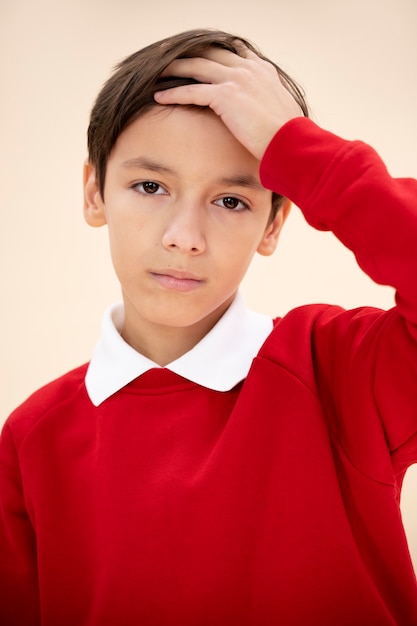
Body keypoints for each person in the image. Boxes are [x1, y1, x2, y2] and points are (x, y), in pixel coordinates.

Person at [1, 28, 417, 626]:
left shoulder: (341, 373)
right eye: (150, 187)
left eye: (231, 201)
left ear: (274, 225)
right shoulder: (31, 439)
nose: (183, 236)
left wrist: (296, 148)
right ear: (95, 192)